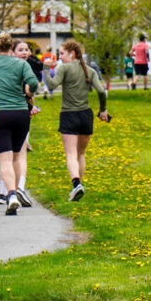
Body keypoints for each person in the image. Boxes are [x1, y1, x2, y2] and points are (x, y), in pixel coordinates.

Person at [0, 35, 40, 214]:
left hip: (0, 113)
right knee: (16, 156)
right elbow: (34, 82)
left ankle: (10, 194)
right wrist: (28, 95)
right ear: (11, 47)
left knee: (4, 158)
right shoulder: (21, 65)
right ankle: (18, 189)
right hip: (21, 113)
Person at [47, 39, 109, 202]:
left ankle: (76, 185)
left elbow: (52, 85)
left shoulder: (64, 68)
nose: (59, 57)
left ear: (71, 54)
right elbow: (102, 91)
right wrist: (103, 109)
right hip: (85, 115)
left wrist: (46, 68)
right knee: (81, 153)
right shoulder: (89, 70)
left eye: (61, 53)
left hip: (69, 114)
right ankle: (79, 186)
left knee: (71, 153)